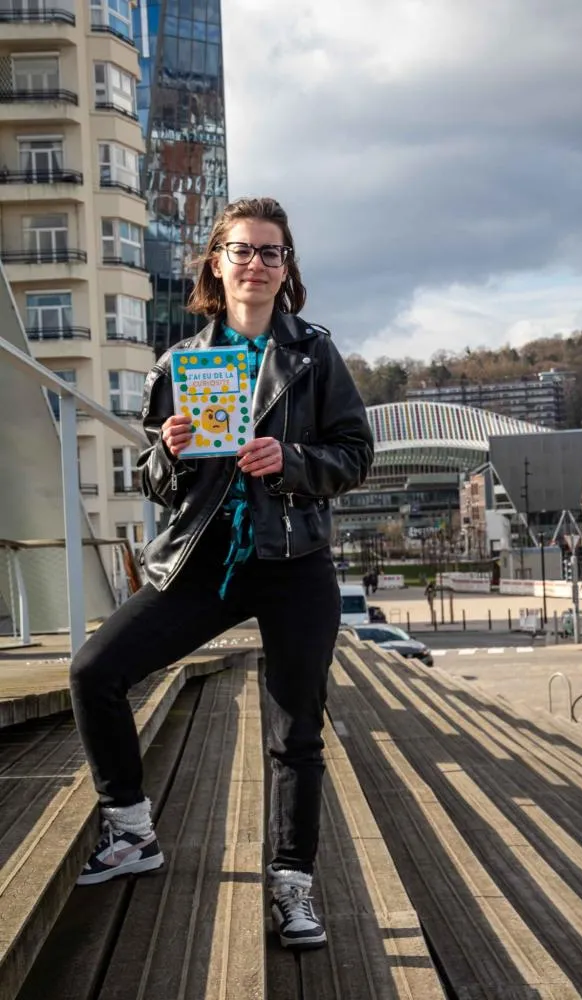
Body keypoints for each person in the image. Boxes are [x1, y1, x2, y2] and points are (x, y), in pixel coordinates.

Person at [69, 197, 374, 951]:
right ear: (217, 261)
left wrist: (292, 460)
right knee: (94, 671)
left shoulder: (313, 354)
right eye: (243, 249)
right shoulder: (181, 363)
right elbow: (153, 481)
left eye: (272, 252)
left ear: (286, 267)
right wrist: (169, 452)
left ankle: (293, 886)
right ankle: (132, 829)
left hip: (294, 560)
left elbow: (354, 455)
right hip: (205, 558)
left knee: (295, 731)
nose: (257, 264)